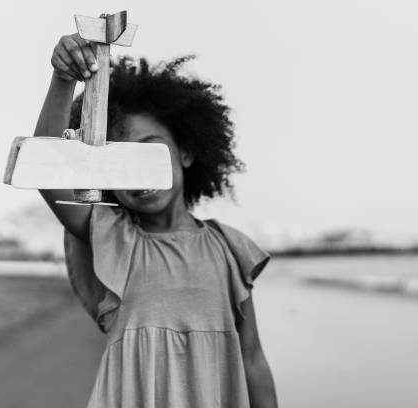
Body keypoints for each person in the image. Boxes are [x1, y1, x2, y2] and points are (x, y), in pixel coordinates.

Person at [34, 32, 278, 408]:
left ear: (186, 154)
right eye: (123, 161)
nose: (139, 175)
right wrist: (63, 78)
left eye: (149, 153)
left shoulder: (229, 248)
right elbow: (46, 169)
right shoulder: (111, 238)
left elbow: (253, 360)